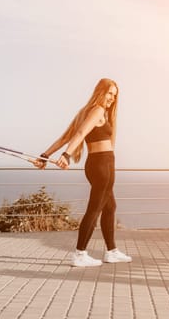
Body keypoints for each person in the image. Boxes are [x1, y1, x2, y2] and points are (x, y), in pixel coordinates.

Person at [34, 78, 132, 267]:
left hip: (98, 164)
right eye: (109, 93)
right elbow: (78, 136)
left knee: (110, 207)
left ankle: (111, 251)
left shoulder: (85, 112)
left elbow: (66, 136)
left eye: (114, 95)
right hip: (103, 164)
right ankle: (80, 254)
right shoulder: (97, 111)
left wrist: (45, 155)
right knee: (94, 209)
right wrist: (66, 155)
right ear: (100, 92)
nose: (112, 98)